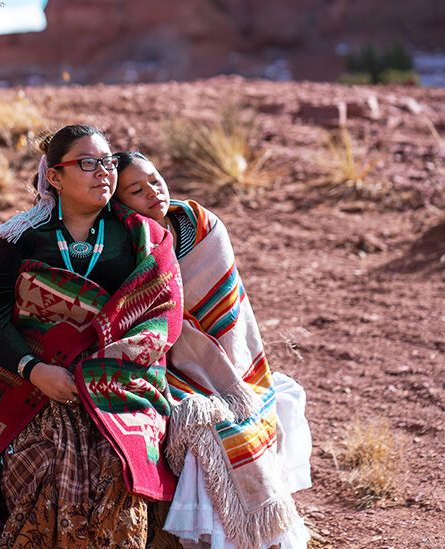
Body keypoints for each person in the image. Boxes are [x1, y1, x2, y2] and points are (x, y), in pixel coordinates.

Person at [0, 127, 184, 548]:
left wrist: (104, 368)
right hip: (35, 388)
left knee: (115, 462)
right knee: (40, 463)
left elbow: (164, 313)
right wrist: (35, 370)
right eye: (87, 163)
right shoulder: (18, 238)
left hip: (119, 386)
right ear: (55, 177)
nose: (103, 172)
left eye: (108, 162)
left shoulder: (141, 236)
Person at [115, 151, 312, 549]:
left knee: (239, 418)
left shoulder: (200, 226)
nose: (153, 192)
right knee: (212, 428)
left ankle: (262, 536)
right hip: (167, 364)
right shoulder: (126, 245)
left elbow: (228, 308)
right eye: (137, 190)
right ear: (120, 204)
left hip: (231, 361)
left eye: (155, 179)